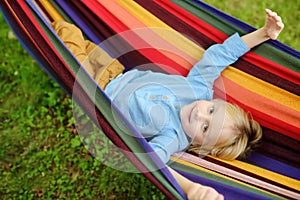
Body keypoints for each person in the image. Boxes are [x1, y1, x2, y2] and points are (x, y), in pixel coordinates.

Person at [52, 8, 284, 199]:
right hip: (115, 70)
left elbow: (153, 160)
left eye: (205, 128)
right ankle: (42, 17)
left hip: (93, 90)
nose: (200, 115)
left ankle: (36, 19)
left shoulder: (173, 137)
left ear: (201, 147)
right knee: (75, 36)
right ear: (212, 100)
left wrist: (190, 188)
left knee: (63, 37)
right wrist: (263, 33)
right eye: (211, 110)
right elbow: (219, 56)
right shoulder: (198, 89)